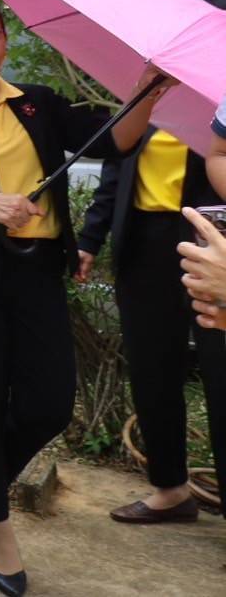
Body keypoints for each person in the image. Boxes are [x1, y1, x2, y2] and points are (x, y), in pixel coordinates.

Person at [0, 0, 166, 595]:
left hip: (37, 272)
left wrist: (149, 91)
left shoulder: (36, 103)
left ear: (6, 41)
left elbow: (114, 141)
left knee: (50, 403)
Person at [79, 124, 226, 524]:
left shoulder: (215, 102)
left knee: (221, 376)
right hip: (144, 244)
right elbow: (116, 167)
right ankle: (171, 489)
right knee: (151, 371)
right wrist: (90, 238)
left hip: (211, 246)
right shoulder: (147, 98)